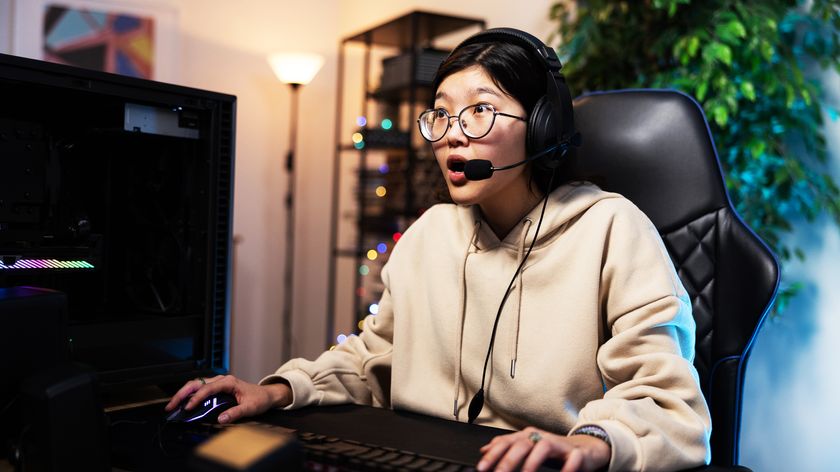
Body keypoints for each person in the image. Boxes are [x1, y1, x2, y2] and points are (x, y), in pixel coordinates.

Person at [166, 28, 712, 472]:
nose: (453, 134)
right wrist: (280, 391)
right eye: (441, 114)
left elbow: (667, 404)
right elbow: (374, 360)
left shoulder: (612, 228)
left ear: (542, 127)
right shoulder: (430, 233)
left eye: (479, 111)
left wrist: (590, 443)